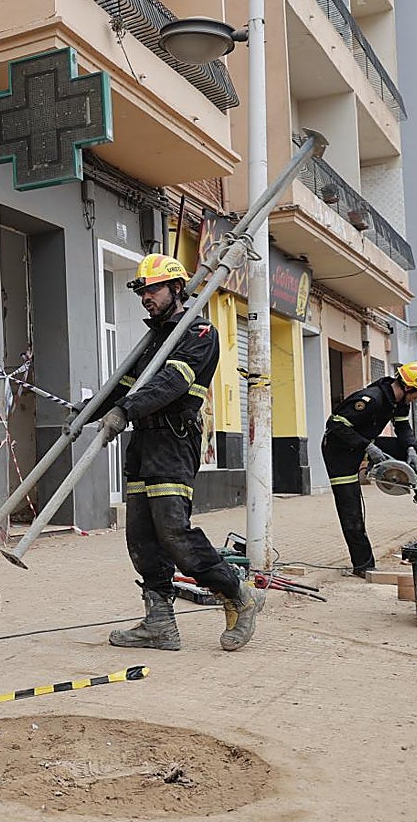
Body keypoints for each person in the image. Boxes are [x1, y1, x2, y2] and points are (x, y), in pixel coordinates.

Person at [88, 253, 263, 652]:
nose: (145, 298)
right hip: (143, 445)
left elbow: (172, 383)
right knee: (141, 538)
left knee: (173, 532)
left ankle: (239, 595)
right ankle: (160, 624)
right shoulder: (152, 341)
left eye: (153, 289)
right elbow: (123, 388)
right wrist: (87, 412)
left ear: (177, 288)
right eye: (142, 291)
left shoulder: (198, 333)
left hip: (173, 441)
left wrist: (124, 411)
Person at [321, 361, 417, 577]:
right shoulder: (371, 399)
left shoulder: (399, 401)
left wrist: (409, 448)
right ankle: (363, 566)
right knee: (351, 511)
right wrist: (368, 447)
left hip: (365, 445)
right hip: (339, 452)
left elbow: (402, 426)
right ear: (408, 387)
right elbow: (335, 424)